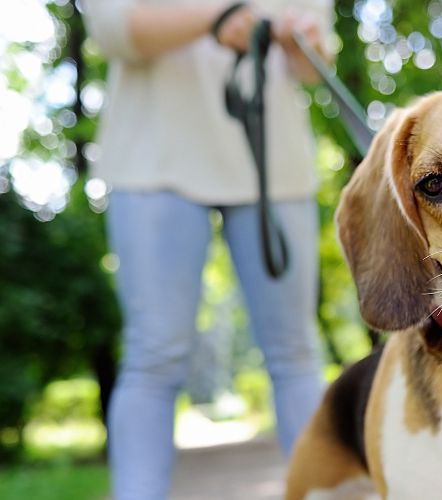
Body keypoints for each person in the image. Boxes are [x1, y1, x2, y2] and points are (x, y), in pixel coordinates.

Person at [81, 1, 331, 498]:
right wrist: (223, 15)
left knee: (297, 351)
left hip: (273, 165)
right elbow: (114, 31)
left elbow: (312, 68)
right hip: (153, 158)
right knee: (153, 355)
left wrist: (297, 37)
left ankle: (320, 490)